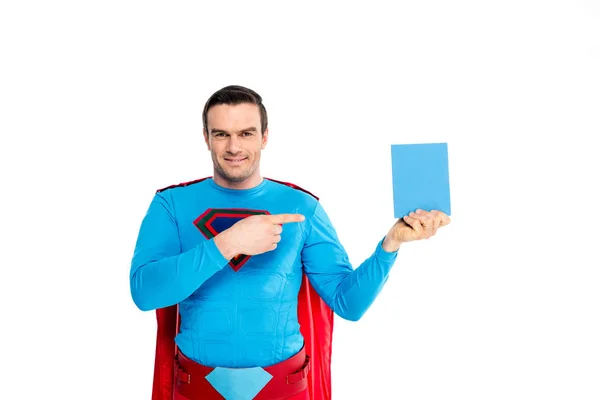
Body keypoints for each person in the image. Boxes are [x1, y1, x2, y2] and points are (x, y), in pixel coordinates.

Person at [129, 85, 451, 400]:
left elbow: (347, 303)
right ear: (206, 138)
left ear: (265, 137)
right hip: (195, 389)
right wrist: (228, 243)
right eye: (221, 134)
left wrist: (390, 245)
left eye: (246, 133)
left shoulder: (301, 208)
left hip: (283, 390)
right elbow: (145, 294)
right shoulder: (170, 204)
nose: (234, 147)